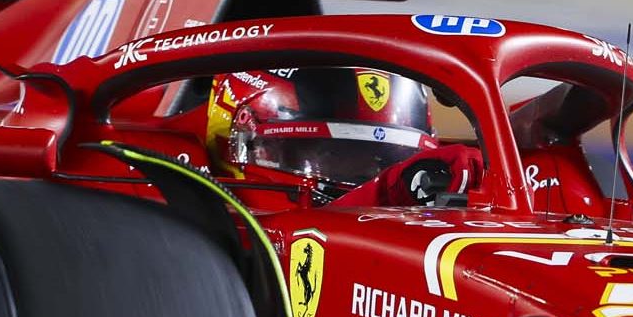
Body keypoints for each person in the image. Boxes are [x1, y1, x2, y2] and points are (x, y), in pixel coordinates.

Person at [204, 67, 482, 206]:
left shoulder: (450, 168)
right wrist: (385, 190)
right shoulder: (169, 197)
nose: (366, 176)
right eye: (330, 155)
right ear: (240, 143)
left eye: (384, 162)